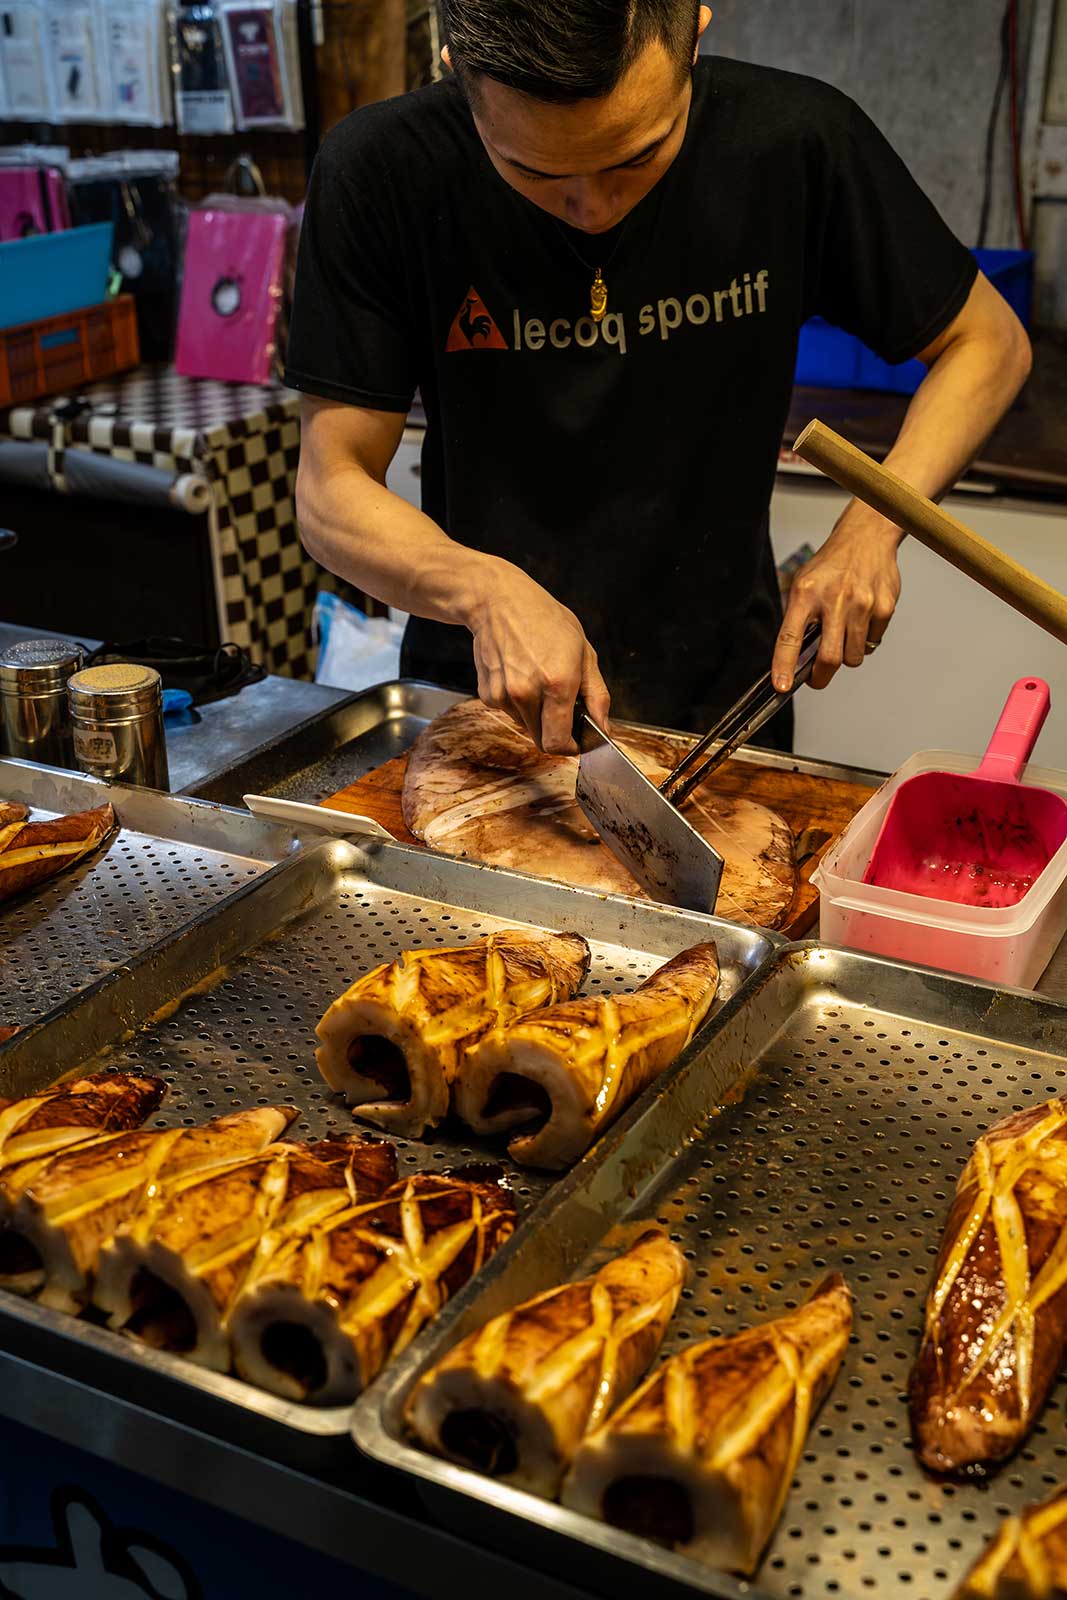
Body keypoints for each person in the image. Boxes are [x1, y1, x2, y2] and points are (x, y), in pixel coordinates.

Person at [287, 0, 1031, 755]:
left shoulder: (795, 141)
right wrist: (483, 592)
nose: (592, 211)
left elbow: (987, 342)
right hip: (488, 699)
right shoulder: (381, 168)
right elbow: (330, 488)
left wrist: (873, 524)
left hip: (720, 700)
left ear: (693, 35)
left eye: (637, 156)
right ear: (457, 70)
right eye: (534, 171)